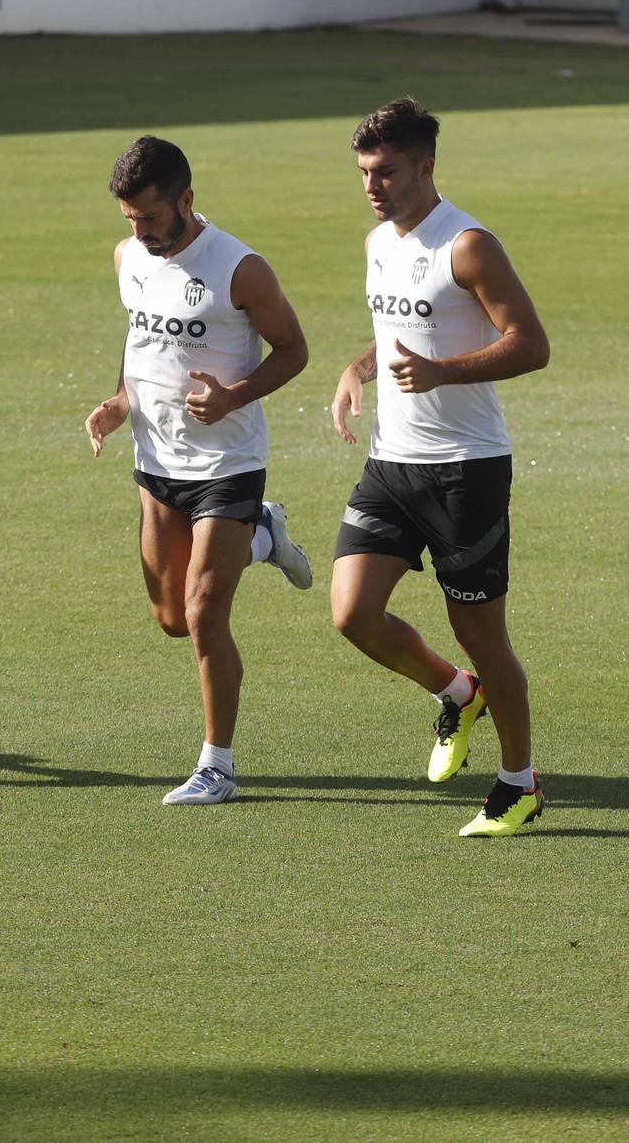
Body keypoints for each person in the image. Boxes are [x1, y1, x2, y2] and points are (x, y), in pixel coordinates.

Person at [328, 98, 550, 838]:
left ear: (425, 166)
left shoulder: (468, 245)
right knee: (351, 613)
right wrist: (358, 368)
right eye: (364, 171)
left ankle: (519, 782)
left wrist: (441, 371)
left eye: (386, 171)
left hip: (465, 470)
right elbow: (394, 330)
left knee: (483, 632)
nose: (373, 185)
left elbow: (529, 343)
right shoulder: (378, 243)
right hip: (392, 463)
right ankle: (457, 692)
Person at [84, 136, 312, 805]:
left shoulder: (240, 269)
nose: (140, 232)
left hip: (227, 462)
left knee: (205, 613)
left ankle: (218, 766)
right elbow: (140, 339)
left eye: (150, 217)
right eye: (130, 219)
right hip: (156, 461)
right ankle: (263, 537)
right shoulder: (129, 256)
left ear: (186, 198)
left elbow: (294, 349)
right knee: (171, 618)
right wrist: (119, 402)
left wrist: (233, 396)